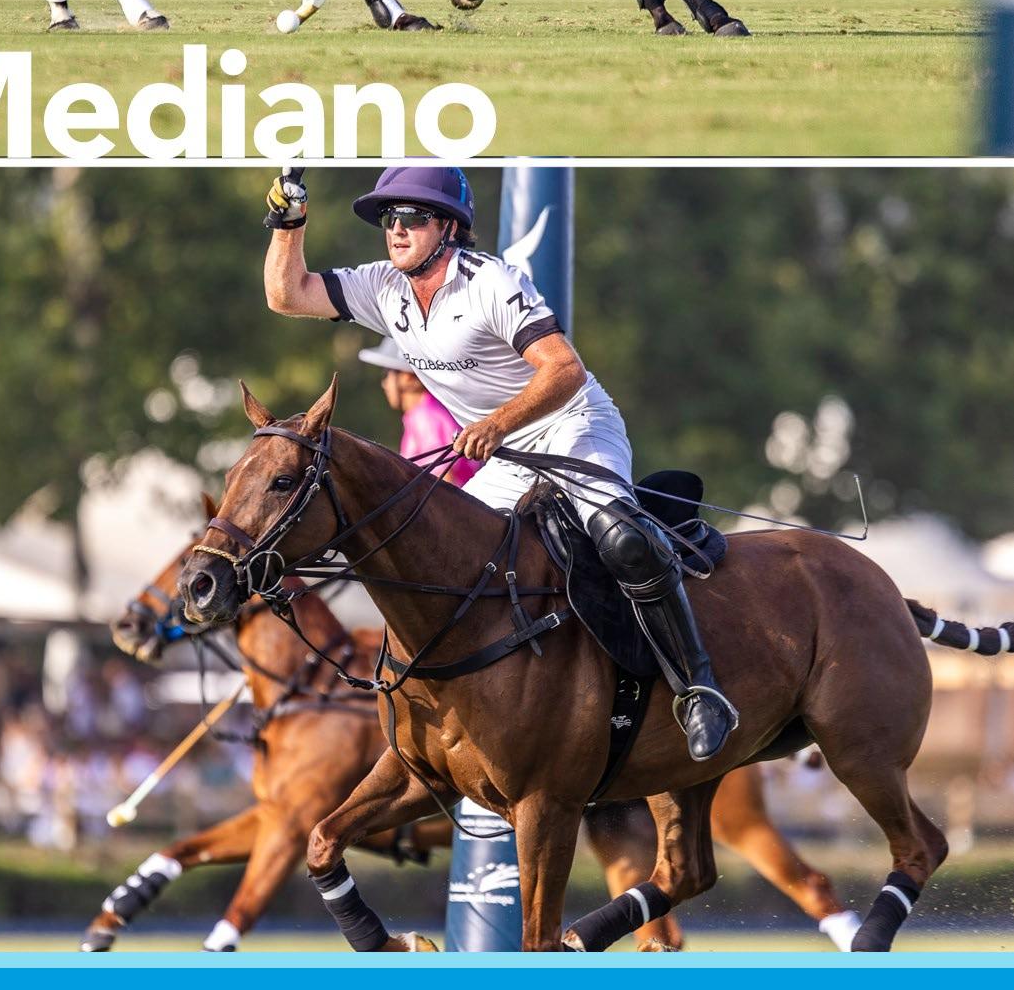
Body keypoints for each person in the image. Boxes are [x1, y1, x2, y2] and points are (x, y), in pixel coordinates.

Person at [262, 165, 739, 763]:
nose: (396, 229)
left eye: (412, 217)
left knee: (621, 538)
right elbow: (287, 294)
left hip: (573, 424)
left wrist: (496, 423)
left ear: (449, 227)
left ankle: (699, 686)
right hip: (508, 453)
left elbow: (563, 369)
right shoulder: (381, 286)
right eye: (389, 218)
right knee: (444, 560)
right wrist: (289, 222)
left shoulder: (490, 281)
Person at [358, 336, 482, 488]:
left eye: (386, 373)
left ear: (408, 377)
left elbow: (445, 480)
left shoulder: (426, 417)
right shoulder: (422, 414)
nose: (384, 384)